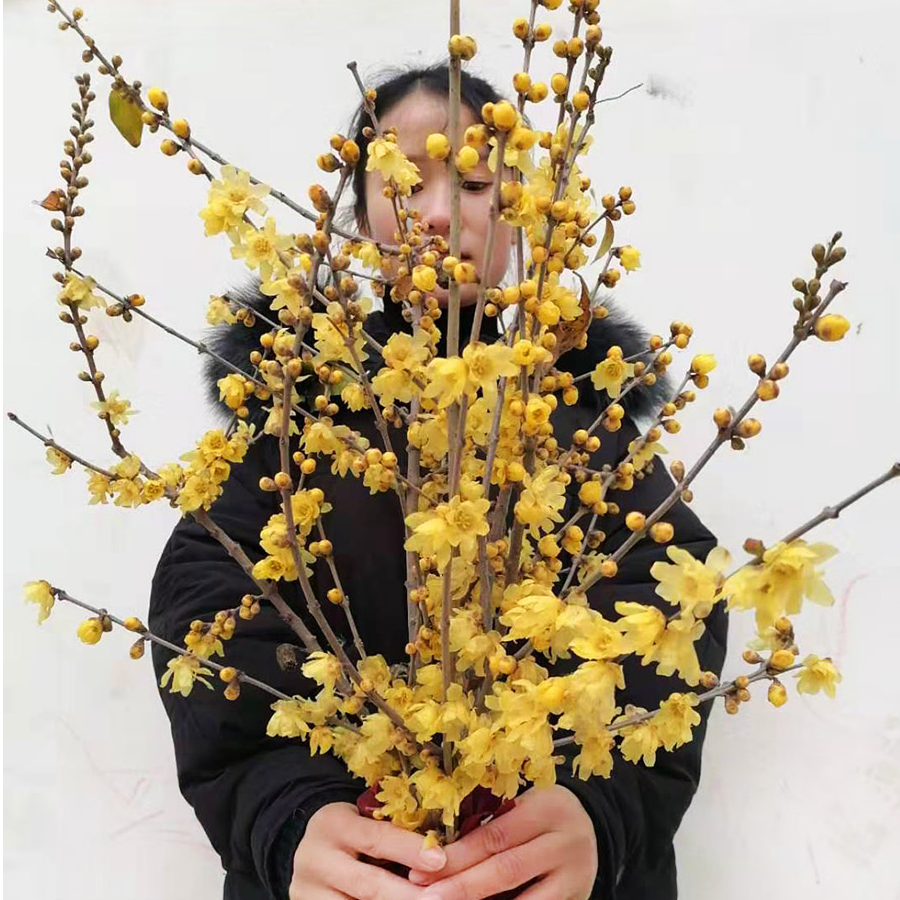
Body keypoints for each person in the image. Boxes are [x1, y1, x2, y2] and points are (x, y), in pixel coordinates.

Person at [149, 64, 728, 900]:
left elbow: (678, 604)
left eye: (480, 180)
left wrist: (600, 817)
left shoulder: (579, 411)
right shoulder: (295, 407)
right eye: (404, 180)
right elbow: (206, 610)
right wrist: (289, 821)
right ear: (358, 216)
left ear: (529, 207)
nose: (440, 210)